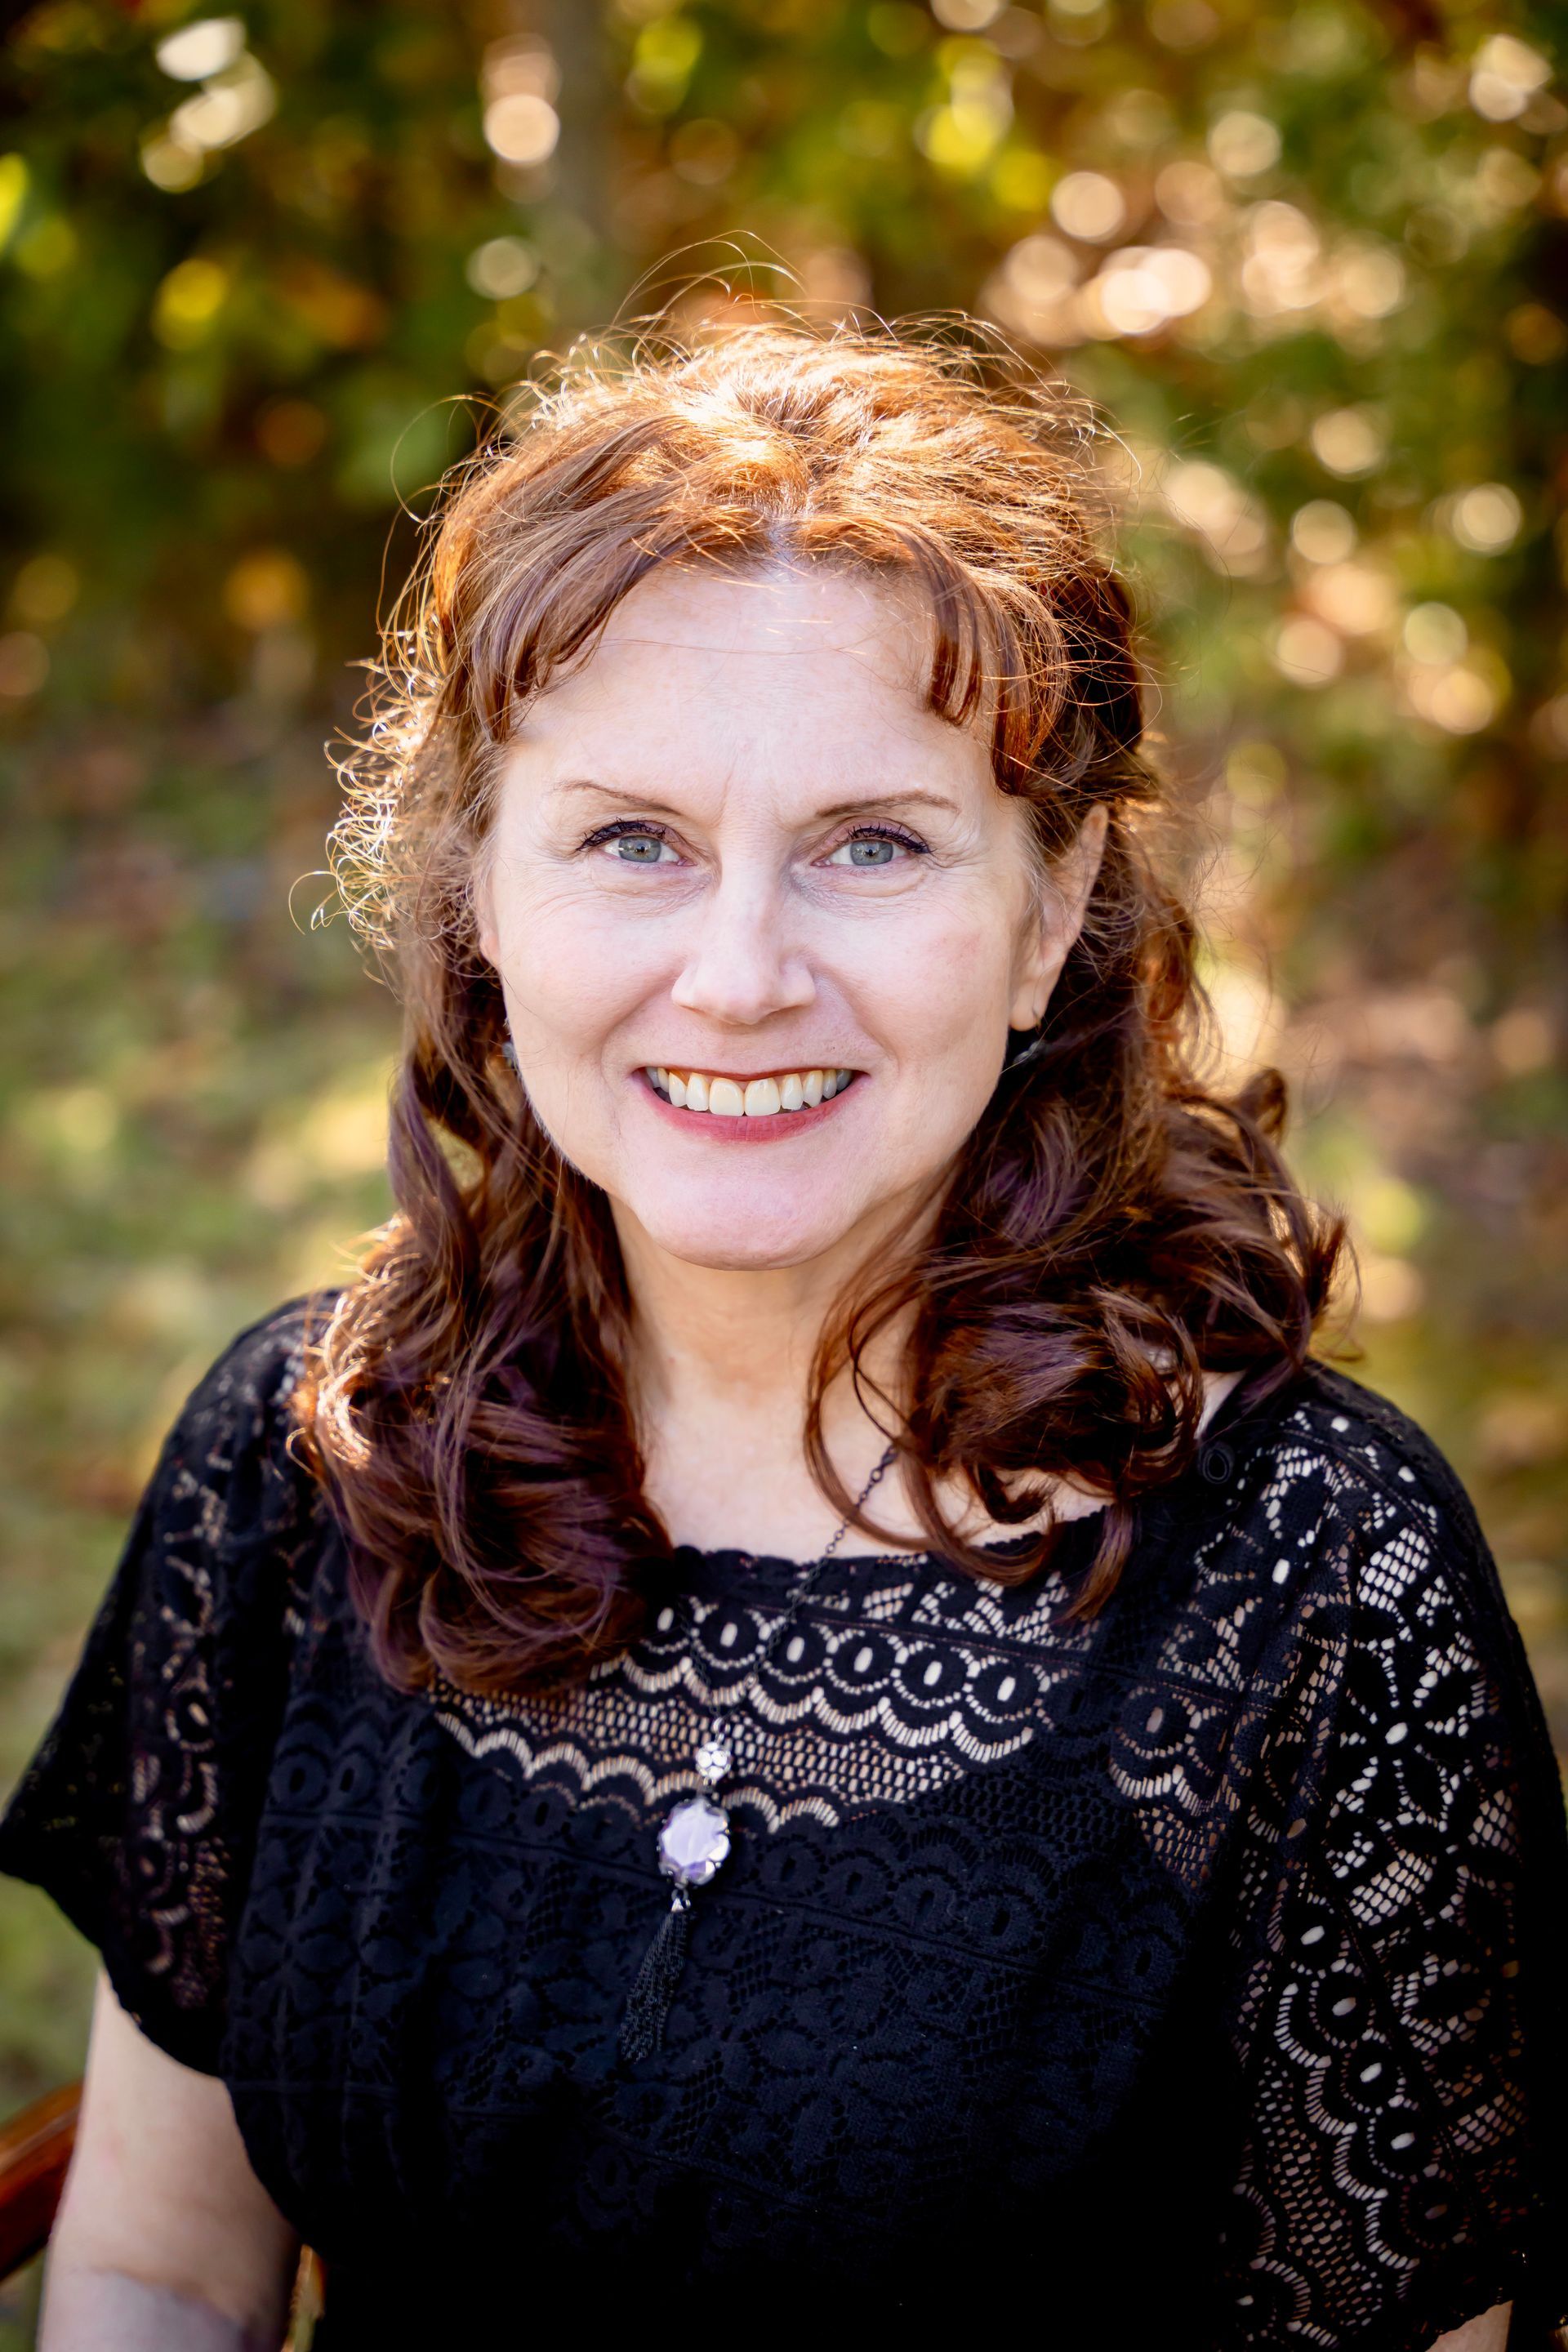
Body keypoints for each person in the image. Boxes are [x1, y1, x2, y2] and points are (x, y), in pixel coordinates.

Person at [2, 323, 1563, 2352]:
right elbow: (153, 2265)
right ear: (480, 891)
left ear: (1048, 905)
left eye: (873, 843)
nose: (739, 977)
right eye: (632, 839)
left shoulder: (1316, 1586)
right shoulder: (302, 1465)